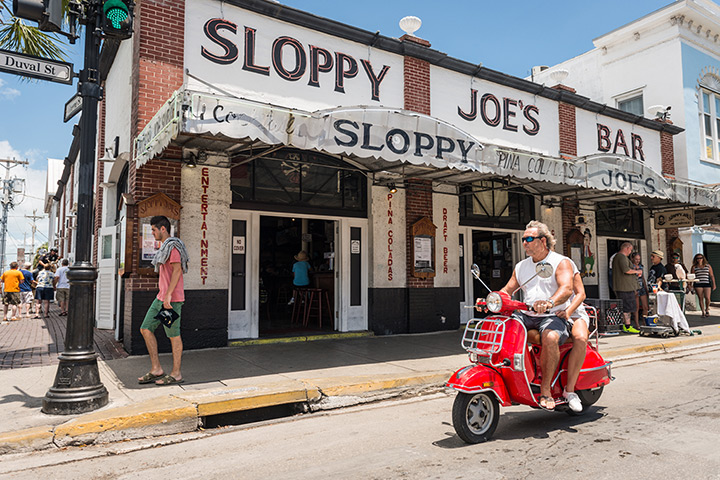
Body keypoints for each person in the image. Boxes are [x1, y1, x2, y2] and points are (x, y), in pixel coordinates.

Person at [496, 220, 573, 410]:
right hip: (527, 314)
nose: (524, 243)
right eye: (523, 239)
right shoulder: (522, 266)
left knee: (550, 336)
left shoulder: (559, 262)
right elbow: (508, 289)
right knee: (502, 329)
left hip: (553, 315)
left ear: (543, 241)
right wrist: (494, 298)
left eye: (529, 238)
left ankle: (546, 390)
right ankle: (512, 377)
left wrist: (550, 302)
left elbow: (567, 289)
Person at [137, 215, 189, 386]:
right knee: (145, 328)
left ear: (163, 229)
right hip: (161, 298)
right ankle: (156, 369)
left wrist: (168, 295)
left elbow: (177, 271)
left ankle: (176, 373)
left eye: (154, 229)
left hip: (170, 301)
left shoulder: (173, 247)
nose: (152, 233)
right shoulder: (164, 248)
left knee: (173, 336)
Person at [611, 242, 642, 334]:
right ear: (627, 248)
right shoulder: (621, 257)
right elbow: (626, 270)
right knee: (627, 308)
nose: (630, 252)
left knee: (626, 307)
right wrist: (637, 271)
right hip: (624, 288)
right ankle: (627, 326)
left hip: (625, 287)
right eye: (630, 250)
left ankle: (625, 325)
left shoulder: (619, 257)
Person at [691, 253, 716, 317]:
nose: (699, 259)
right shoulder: (694, 267)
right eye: (698, 258)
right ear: (696, 259)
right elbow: (692, 276)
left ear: (703, 258)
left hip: (706, 283)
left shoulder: (708, 266)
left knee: (707, 298)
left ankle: (707, 309)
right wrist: (690, 285)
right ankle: (703, 312)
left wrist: (714, 284)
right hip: (698, 283)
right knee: (700, 298)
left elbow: (711, 275)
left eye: (700, 258)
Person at [631, 252, 649, 329]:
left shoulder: (641, 266)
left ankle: (645, 322)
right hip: (635, 287)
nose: (637, 261)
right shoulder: (631, 267)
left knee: (645, 307)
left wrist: (646, 287)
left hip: (642, 287)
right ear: (632, 259)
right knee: (636, 307)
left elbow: (643, 277)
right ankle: (637, 324)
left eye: (639, 259)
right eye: (636, 259)